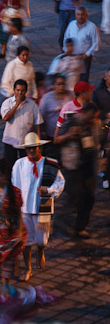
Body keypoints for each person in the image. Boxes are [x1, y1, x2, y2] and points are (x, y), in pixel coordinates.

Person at [12, 133, 64, 281]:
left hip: (43, 207)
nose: (32, 151)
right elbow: (15, 185)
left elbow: (60, 182)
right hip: (25, 208)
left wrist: (48, 190)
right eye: (29, 149)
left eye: (34, 148)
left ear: (39, 148)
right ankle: (27, 268)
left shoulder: (50, 164)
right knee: (26, 241)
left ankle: (40, 250)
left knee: (42, 240)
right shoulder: (19, 165)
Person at [54, 102, 99, 239]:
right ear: (84, 113)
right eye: (91, 117)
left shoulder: (94, 126)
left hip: (89, 168)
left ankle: (81, 227)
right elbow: (56, 140)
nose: (92, 120)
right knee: (79, 196)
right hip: (73, 166)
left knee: (90, 198)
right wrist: (69, 135)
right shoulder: (71, 123)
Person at [1, 79, 43, 170]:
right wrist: (16, 105)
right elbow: (6, 118)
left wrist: (38, 143)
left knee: (26, 167)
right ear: (14, 90)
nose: (20, 93)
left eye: (22, 90)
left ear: (26, 91)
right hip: (10, 141)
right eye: (18, 90)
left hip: (26, 142)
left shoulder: (32, 105)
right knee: (9, 166)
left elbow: (37, 124)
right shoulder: (7, 103)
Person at [62, 6, 100, 82]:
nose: (80, 17)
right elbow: (66, 38)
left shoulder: (91, 27)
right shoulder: (71, 25)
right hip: (72, 56)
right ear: (75, 16)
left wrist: (88, 53)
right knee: (71, 77)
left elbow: (97, 42)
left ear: (86, 15)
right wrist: (66, 50)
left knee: (83, 78)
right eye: (78, 14)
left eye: (82, 14)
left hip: (84, 56)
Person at [39, 75, 74, 143]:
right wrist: (42, 132)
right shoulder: (47, 98)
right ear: (54, 85)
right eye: (59, 84)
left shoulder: (71, 95)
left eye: (63, 84)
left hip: (67, 135)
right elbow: (41, 116)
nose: (61, 86)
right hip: (51, 135)